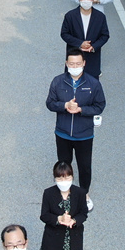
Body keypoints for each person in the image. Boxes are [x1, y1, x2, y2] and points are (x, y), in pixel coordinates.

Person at [45, 48, 105, 203]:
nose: (75, 66)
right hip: (62, 133)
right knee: (64, 165)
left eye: (78, 63)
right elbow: (50, 103)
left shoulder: (93, 84)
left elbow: (100, 106)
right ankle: (64, 193)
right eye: (71, 63)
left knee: (84, 167)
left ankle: (84, 194)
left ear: (84, 63)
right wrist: (64, 105)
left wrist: (81, 110)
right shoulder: (58, 82)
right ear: (66, 63)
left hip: (84, 134)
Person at [60, 0, 109, 79]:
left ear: (93, 0)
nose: (86, 1)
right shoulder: (70, 16)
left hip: (93, 58)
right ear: (79, 0)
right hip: (74, 56)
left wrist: (93, 46)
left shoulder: (100, 17)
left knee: (92, 87)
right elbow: (64, 34)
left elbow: (105, 35)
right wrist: (80, 43)